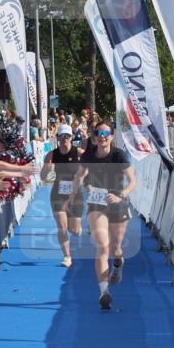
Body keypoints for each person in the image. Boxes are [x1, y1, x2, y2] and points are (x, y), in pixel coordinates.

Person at [69, 122, 137, 311]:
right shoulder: (89, 155)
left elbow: (133, 182)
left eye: (106, 133)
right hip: (97, 203)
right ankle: (104, 292)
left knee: (115, 247)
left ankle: (118, 262)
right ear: (94, 136)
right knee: (102, 246)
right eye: (99, 133)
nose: (102, 136)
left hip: (117, 201)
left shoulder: (118, 155)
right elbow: (79, 177)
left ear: (112, 136)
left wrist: (121, 195)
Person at [40, 124, 84, 267]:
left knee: (75, 230)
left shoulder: (79, 153)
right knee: (62, 227)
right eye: (61, 136)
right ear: (57, 138)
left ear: (72, 137)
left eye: (67, 136)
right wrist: (46, 169)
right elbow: (42, 176)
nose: (64, 139)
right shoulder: (52, 154)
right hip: (58, 193)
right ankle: (67, 256)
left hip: (75, 194)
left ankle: (77, 227)